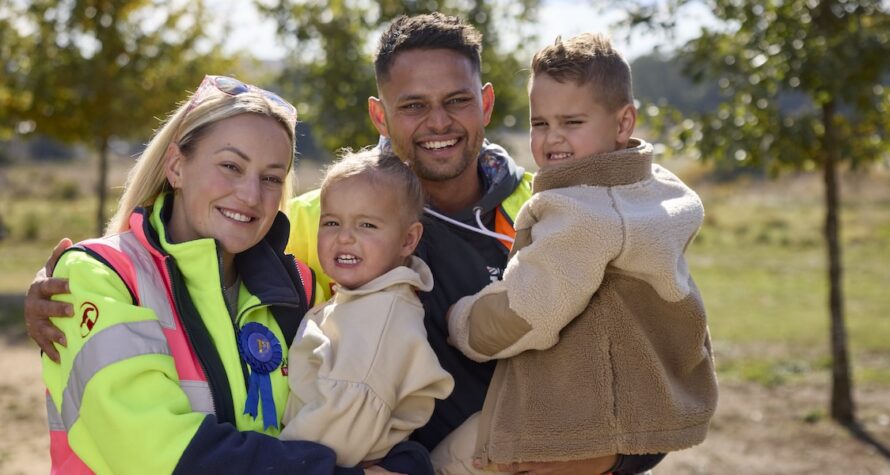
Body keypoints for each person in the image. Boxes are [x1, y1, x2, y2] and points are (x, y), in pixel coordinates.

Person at [27, 13, 655, 474]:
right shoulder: (313, 227)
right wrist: (69, 283)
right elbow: (193, 247)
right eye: (413, 105)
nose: (438, 122)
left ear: (485, 104)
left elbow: (653, 353)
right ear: (379, 115)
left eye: (457, 101)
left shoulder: (556, 216)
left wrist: (610, 458)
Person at [37, 74, 420, 474]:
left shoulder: (302, 289)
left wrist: (407, 463)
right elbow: (154, 453)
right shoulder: (101, 276)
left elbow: (359, 412)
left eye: (271, 178)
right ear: (176, 166)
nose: (251, 195)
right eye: (231, 166)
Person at [444, 33, 718, 470]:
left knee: (448, 461)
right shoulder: (652, 189)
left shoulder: (584, 213)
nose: (553, 138)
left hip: (580, 425)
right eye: (540, 124)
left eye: (572, 122)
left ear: (623, 124)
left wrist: (460, 321)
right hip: (636, 413)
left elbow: (526, 313)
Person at [279, 149, 454, 468]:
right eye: (331, 222)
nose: (345, 237)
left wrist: (272, 463)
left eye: (367, 225)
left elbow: (337, 432)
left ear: (408, 240)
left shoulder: (379, 320)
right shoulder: (362, 299)